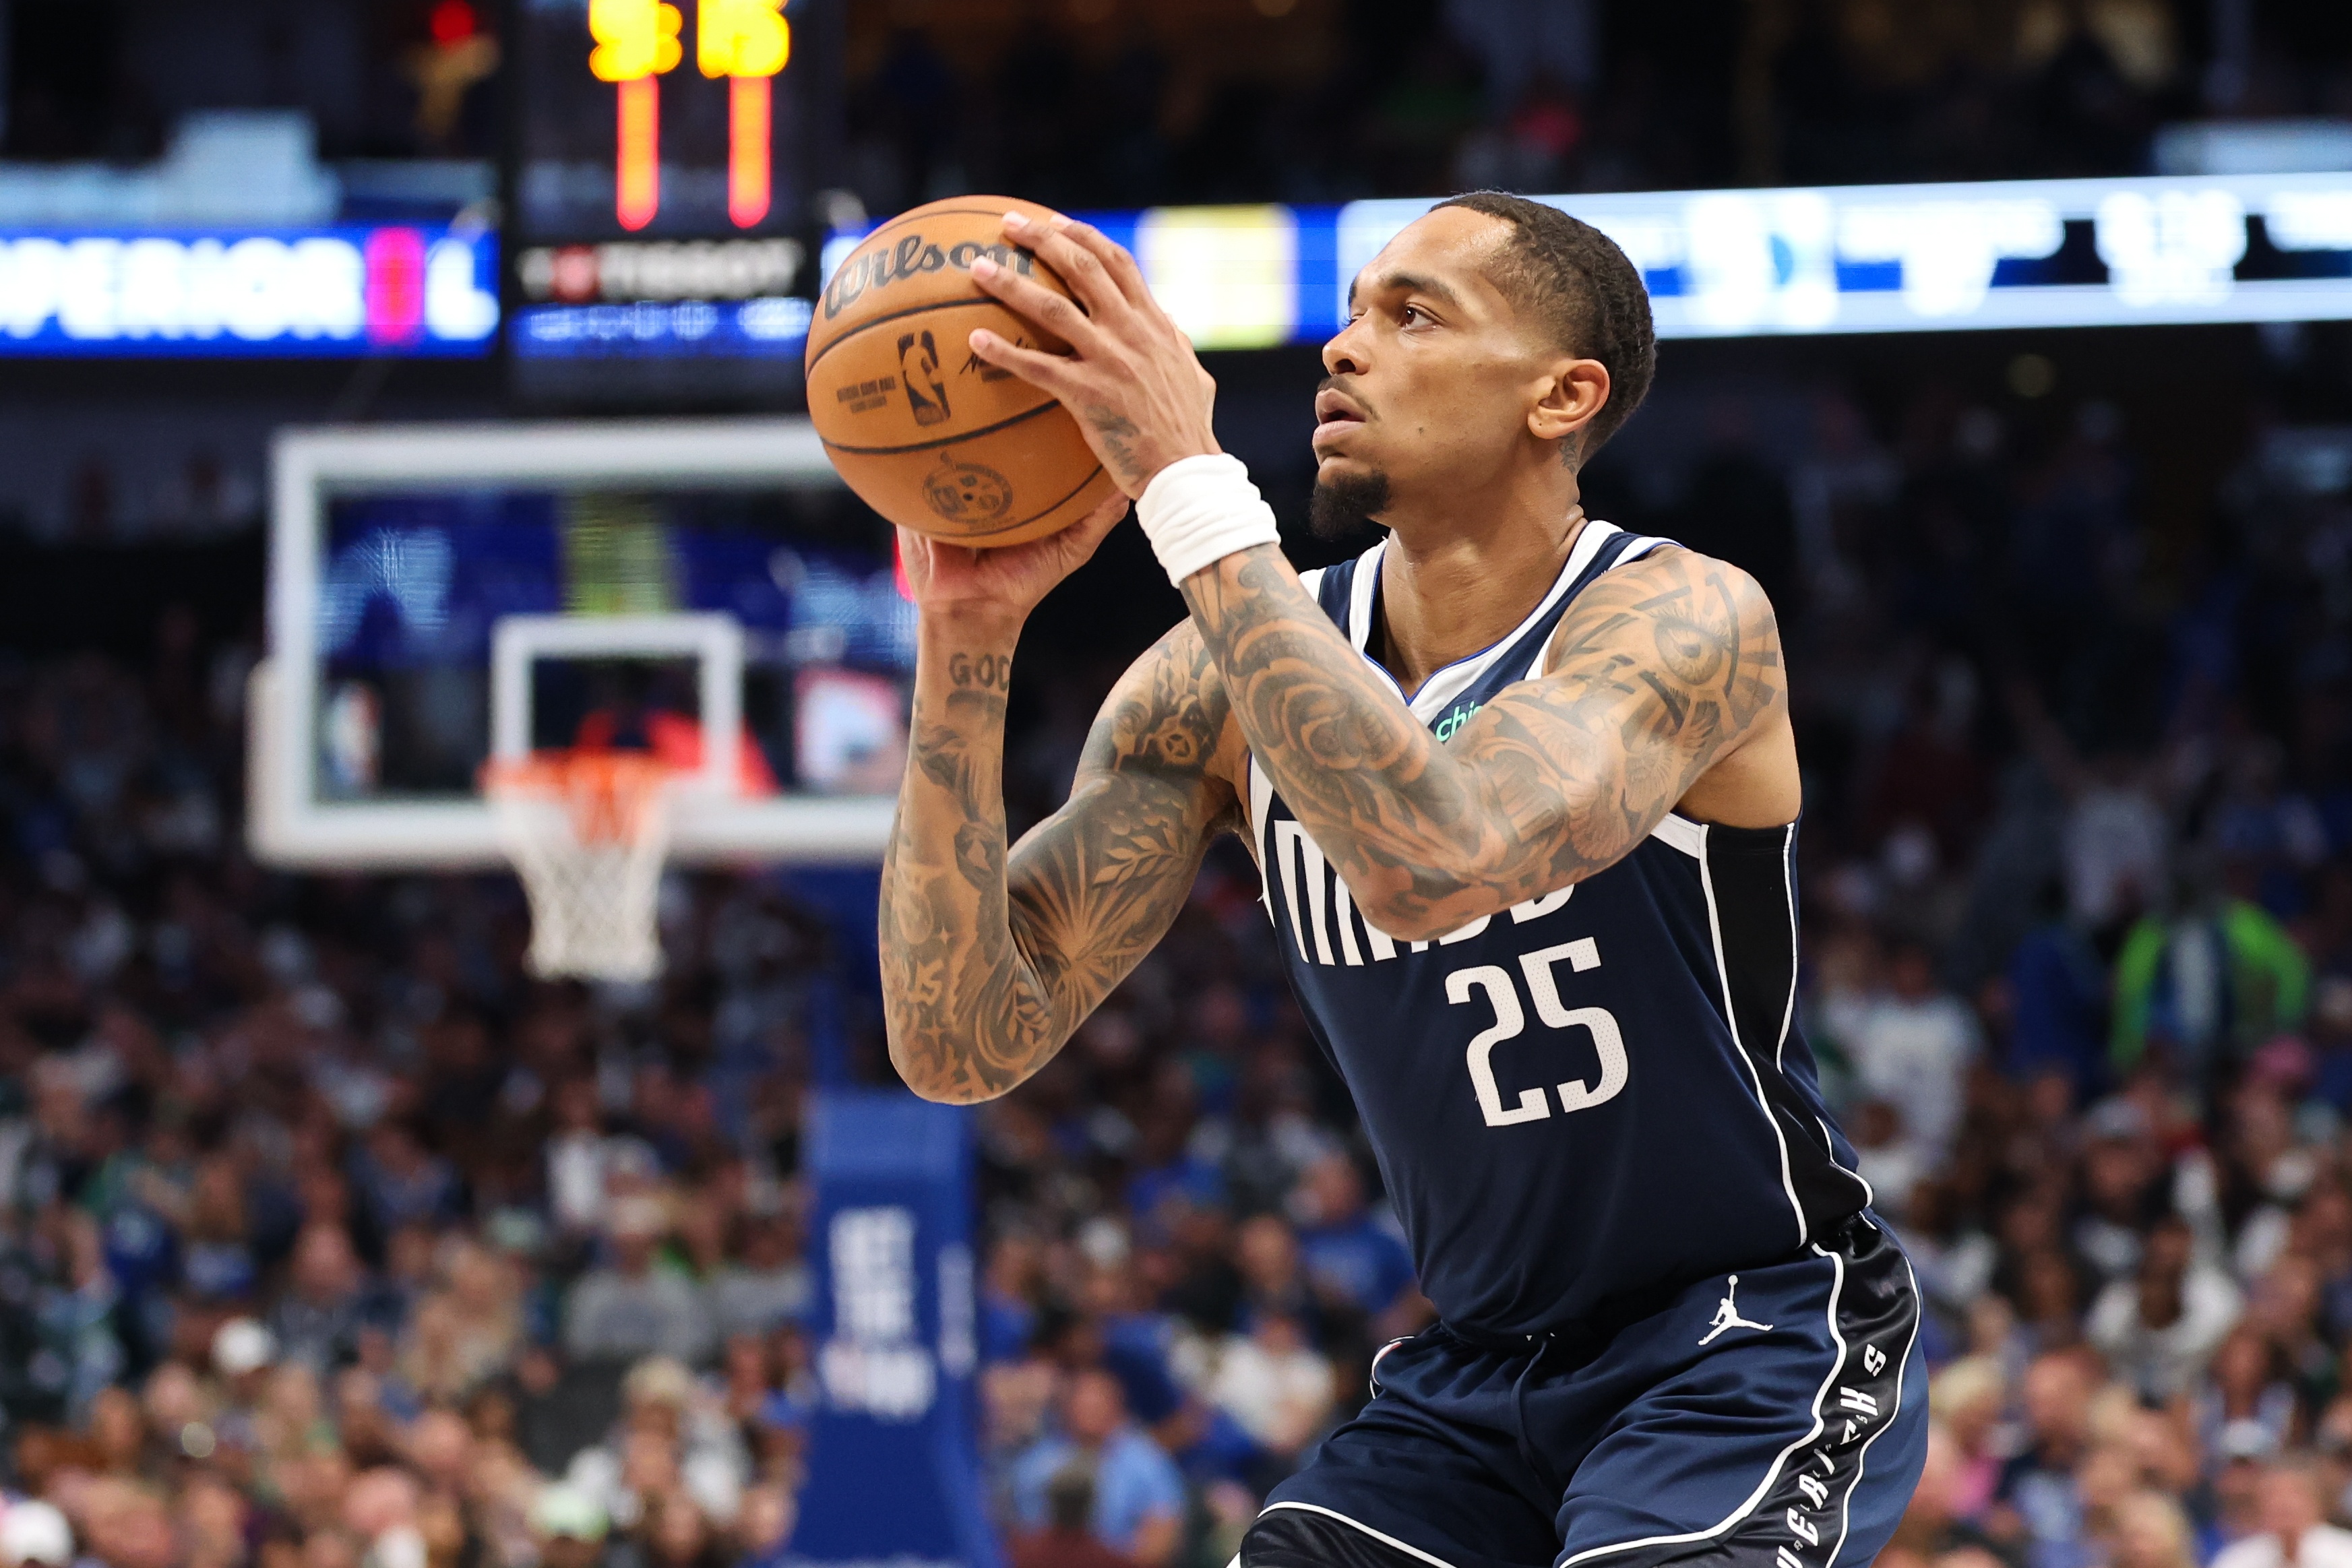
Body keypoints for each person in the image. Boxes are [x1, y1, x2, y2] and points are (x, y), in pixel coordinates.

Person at [879, 192, 1926, 1568]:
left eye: (1413, 313)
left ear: (1562, 396)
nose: (1343, 345)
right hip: (1477, 1371)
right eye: (1352, 309)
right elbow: (959, 1041)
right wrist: (965, 640)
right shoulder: (1212, 686)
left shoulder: (1676, 619)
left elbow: (1437, 856)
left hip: (1743, 1333)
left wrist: (1186, 481)